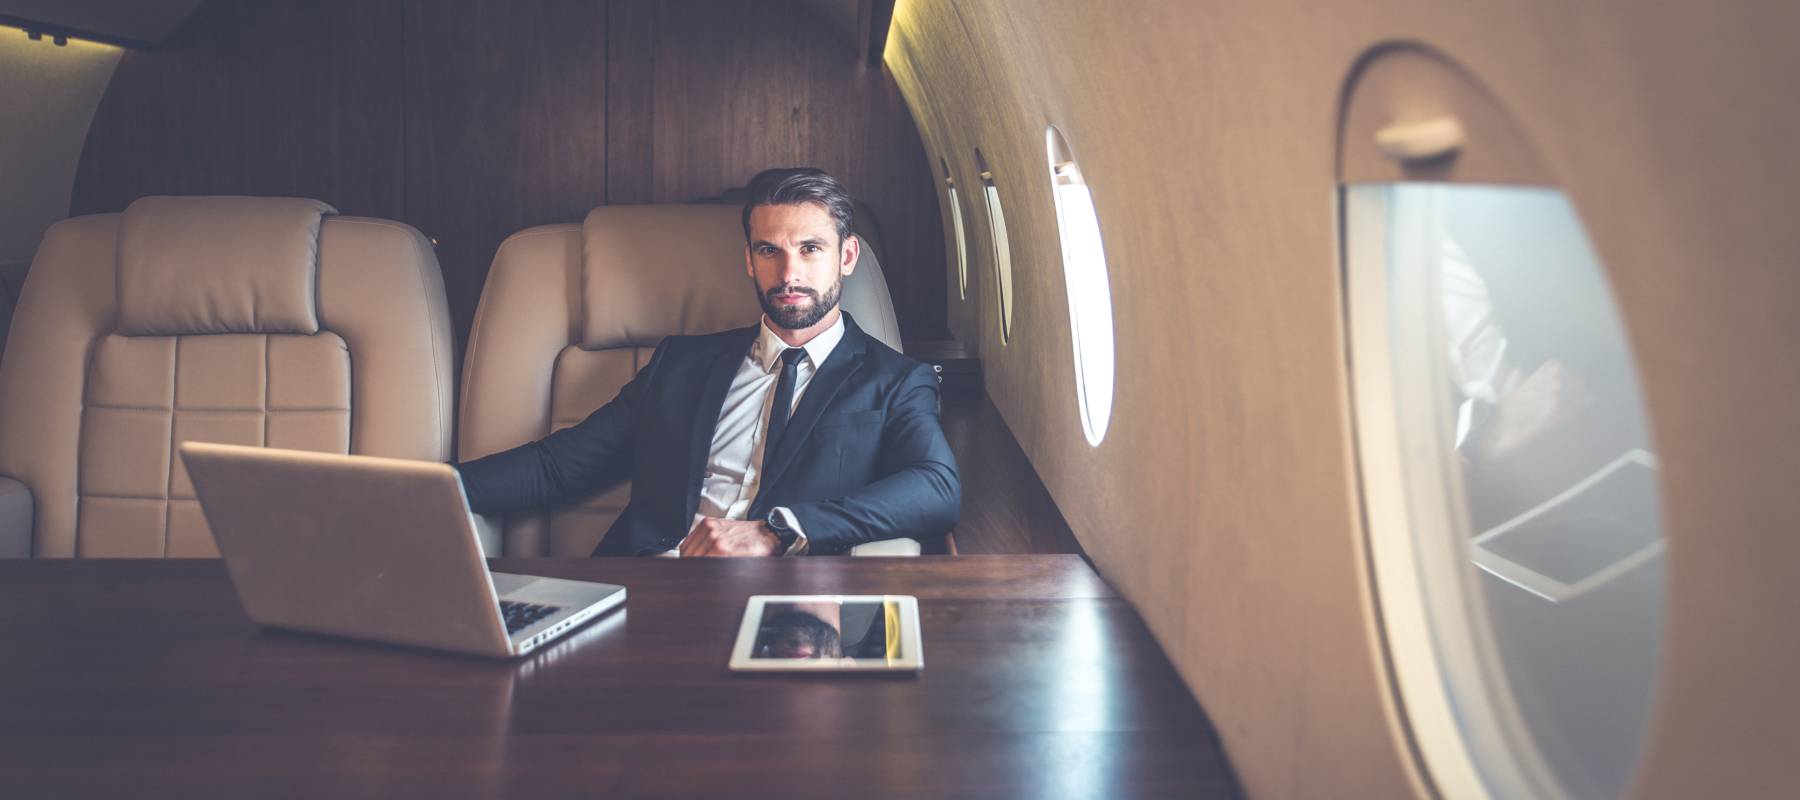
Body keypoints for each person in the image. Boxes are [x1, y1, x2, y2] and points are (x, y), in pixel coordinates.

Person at [457, 168, 960, 556]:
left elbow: (936, 488)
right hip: (642, 593)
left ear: (846, 257)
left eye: (810, 249)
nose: (789, 273)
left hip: (782, 612)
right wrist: (433, 490)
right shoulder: (681, 364)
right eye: (770, 251)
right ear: (749, 260)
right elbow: (558, 467)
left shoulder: (895, 381)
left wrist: (777, 531)